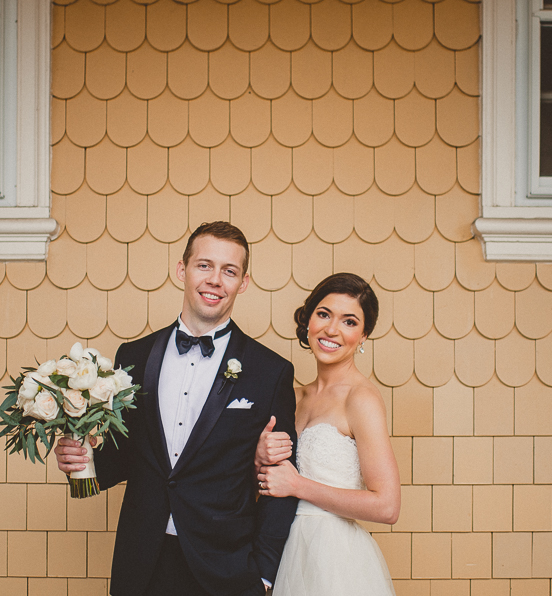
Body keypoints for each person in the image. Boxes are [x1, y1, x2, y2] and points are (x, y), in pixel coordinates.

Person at [55, 221, 298, 596]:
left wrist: (264, 575)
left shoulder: (271, 371)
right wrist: (81, 460)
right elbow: (126, 457)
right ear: (181, 270)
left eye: (229, 271)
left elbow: (280, 483)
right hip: (143, 562)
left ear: (243, 283)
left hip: (225, 568)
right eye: (204, 265)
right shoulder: (132, 356)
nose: (215, 280)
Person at [255, 273, 400, 596]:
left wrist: (298, 486)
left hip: (335, 561)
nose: (332, 329)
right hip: (280, 553)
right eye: (324, 314)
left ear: (363, 336)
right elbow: (261, 484)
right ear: (308, 320)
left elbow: (387, 506)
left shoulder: (361, 399)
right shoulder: (291, 396)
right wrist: (257, 458)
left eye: (349, 322)